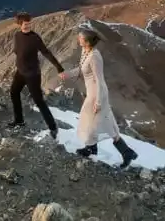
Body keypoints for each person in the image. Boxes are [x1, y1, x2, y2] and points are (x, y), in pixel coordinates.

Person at [59, 20, 138, 168]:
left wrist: (99, 102)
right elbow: (81, 70)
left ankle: (99, 150)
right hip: (92, 93)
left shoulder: (95, 56)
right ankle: (122, 152)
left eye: (81, 37)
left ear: (87, 42)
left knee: (94, 122)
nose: (78, 39)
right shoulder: (85, 52)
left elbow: (99, 80)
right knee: (102, 123)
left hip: (97, 94)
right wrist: (67, 74)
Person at [8, 12, 64, 139]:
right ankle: (19, 121)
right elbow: (17, 51)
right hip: (20, 72)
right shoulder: (17, 35)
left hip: (33, 75)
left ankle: (53, 127)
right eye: (26, 24)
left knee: (39, 101)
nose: (28, 26)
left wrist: (59, 67)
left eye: (29, 24)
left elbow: (46, 52)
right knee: (14, 92)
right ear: (20, 24)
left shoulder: (35, 38)